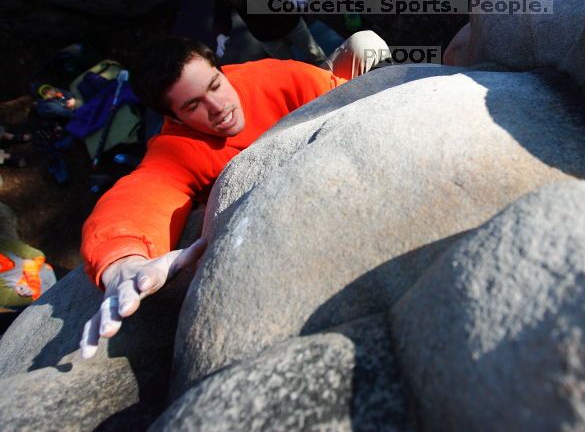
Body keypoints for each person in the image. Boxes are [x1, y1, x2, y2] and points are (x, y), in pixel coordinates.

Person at [79, 30, 390, 358]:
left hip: (318, 95)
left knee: (365, 43)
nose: (219, 107)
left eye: (215, 85)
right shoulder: (179, 147)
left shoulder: (271, 77)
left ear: (221, 70)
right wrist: (123, 261)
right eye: (194, 104)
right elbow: (144, 193)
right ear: (173, 118)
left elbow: (339, 98)